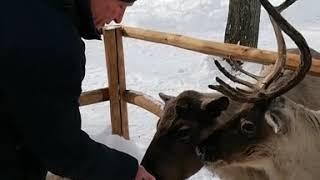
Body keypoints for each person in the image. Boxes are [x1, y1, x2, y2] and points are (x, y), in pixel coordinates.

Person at [0, 0, 155, 179]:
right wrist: (127, 172)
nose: (119, 18)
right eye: (120, 5)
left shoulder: (31, 11)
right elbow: (60, 147)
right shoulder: (51, 38)